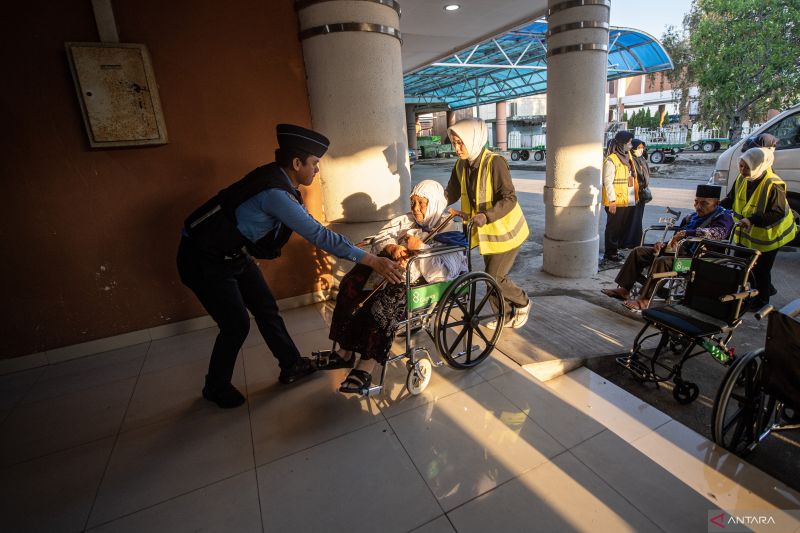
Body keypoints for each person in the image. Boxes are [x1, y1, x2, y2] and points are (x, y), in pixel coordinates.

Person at [177, 124, 405, 408]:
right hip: (203, 258)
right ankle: (215, 386)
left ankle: (291, 365)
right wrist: (372, 259)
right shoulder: (275, 193)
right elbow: (319, 235)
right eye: (314, 163)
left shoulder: (279, 181)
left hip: (234, 254)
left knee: (266, 307)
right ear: (297, 163)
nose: (317, 170)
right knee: (235, 324)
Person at [319, 180, 468, 394]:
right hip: (391, 268)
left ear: (434, 203)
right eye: (413, 202)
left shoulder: (449, 227)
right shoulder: (406, 220)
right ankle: (344, 351)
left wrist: (421, 249)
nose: (415, 208)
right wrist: (392, 247)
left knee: (382, 304)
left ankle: (367, 364)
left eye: (422, 203)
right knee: (351, 284)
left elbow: (443, 273)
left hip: (419, 279)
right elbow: (381, 237)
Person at [444, 118, 531, 330]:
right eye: (454, 143)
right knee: (490, 275)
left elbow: (510, 198)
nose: (457, 148)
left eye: (460, 143)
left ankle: (522, 302)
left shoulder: (495, 162)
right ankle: (505, 315)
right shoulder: (461, 165)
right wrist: (430, 201)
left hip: (507, 231)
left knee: (494, 276)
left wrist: (486, 215)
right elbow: (450, 193)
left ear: (473, 139)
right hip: (487, 234)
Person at [601, 184, 734, 311]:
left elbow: (717, 233)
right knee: (638, 252)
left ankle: (645, 299)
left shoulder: (723, 217)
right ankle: (624, 289)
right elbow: (676, 239)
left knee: (663, 261)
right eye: (696, 202)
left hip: (697, 261)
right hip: (680, 252)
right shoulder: (692, 217)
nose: (698, 207)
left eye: (704, 203)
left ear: (716, 203)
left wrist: (688, 233)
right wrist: (664, 245)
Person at [721, 147, 797, 310]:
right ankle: (763, 290)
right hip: (745, 235)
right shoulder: (742, 179)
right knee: (743, 266)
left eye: (747, 167)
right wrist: (716, 208)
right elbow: (731, 199)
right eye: (741, 166)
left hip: (769, 236)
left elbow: (777, 213)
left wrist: (752, 220)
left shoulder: (773, 184)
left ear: (758, 166)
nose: (742, 170)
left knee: (761, 270)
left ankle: (762, 303)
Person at [602, 131, 639, 262]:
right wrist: (612, 201)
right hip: (615, 201)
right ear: (622, 143)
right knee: (613, 228)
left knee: (620, 227)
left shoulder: (628, 157)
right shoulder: (611, 160)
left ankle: (615, 250)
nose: (631, 145)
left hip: (626, 199)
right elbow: (607, 182)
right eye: (629, 142)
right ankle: (610, 253)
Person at [622, 139, 652, 248]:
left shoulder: (641, 159)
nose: (641, 150)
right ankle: (628, 242)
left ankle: (635, 241)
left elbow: (646, 173)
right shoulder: (630, 160)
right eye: (638, 148)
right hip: (632, 193)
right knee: (631, 218)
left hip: (641, 193)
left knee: (638, 218)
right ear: (633, 148)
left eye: (642, 148)